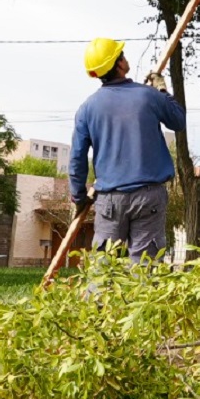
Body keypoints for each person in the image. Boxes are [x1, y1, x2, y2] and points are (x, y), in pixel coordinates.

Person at [69, 38, 187, 261]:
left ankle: (99, 297)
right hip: (148, 196)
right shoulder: (149, 95)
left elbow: (77, 158)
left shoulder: (87, 108)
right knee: (146, 268)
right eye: (121, 55)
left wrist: (79, 197)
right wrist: (162, 91)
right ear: (120, 64)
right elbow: (178, 121)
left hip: (109, 200)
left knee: (103, 269)